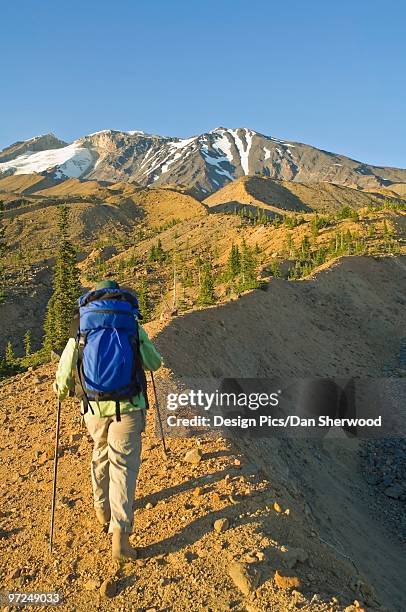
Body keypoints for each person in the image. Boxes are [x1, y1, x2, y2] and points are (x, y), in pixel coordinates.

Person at [54, 279, 162, 561]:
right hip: (128, 406)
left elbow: (64, 375)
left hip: (93, 407)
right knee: (123, 467)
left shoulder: (83, 328)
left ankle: (101, 509)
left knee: (100, 452)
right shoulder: (130, 326)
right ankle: (121, 538)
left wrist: (61, 390)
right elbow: (153, 363)